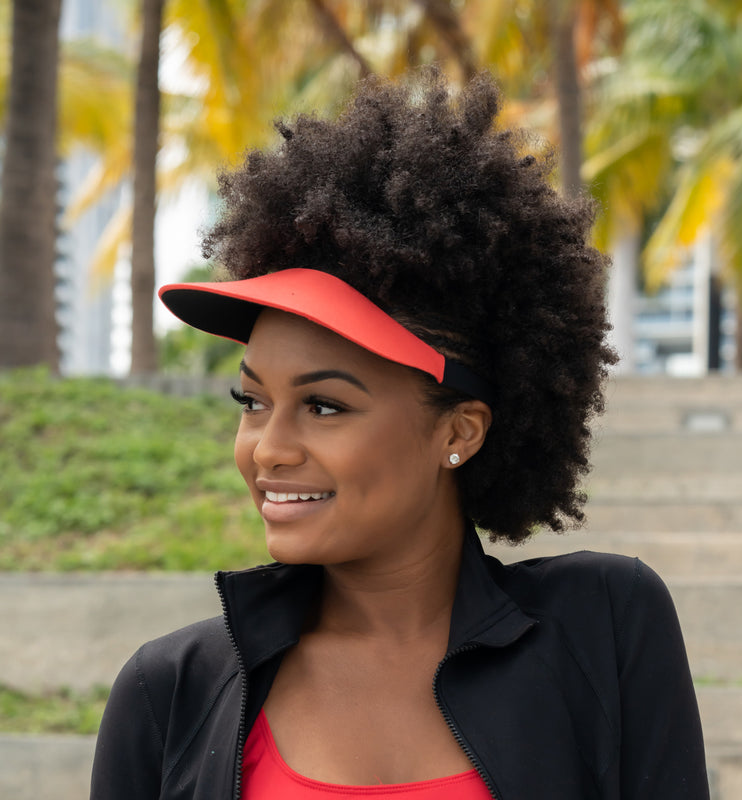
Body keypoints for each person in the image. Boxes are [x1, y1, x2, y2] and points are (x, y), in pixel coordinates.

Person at [90, 69, 709, 799]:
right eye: (251, 401)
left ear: (461, 430)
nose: (269, 448)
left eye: (324, 405)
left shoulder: (602, 625)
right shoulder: (170, 693)